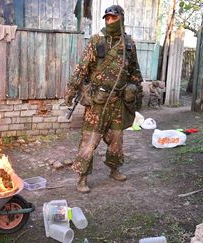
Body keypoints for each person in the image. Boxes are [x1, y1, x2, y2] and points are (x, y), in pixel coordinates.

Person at [64, 5, 143, 193]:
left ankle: (114, 168)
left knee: (117, 138)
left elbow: (134, 72)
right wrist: (70, 91)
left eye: (113, 18)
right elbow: (81, 69)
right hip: (97, 102)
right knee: (90, 140)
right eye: (107, 18)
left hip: (118, 102)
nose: (109, 21)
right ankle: (82, 177)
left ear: (121, 19)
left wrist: (134, 91)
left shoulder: (129, 44)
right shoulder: (96, 41)